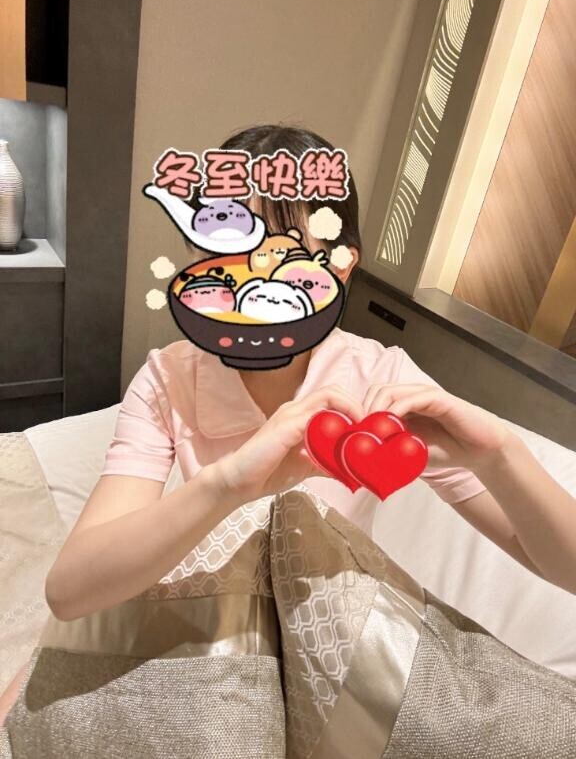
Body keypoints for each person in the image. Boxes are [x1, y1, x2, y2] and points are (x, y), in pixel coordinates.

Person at [1, 124, 575, 725]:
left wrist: (500, 456)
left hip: (322, 642)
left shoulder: (378, 378)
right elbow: (71, 590)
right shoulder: (170, 378)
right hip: (204, 635)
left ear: (342, 268)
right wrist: (226, 486)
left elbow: (566, 569)